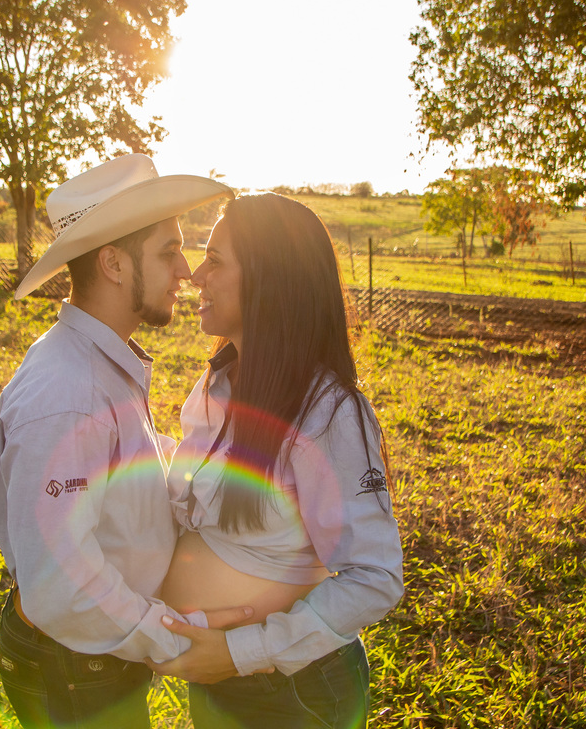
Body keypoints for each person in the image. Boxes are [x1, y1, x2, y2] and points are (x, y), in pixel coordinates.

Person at [0, 154, 248, 728]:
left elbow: (123, 473)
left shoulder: (98, 366)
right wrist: (179, 642)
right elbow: (60, 587)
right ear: (114, 264)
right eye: (167, 251)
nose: (186, 271)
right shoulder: (69, 394)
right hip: (75, 664)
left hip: (93, 655)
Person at [148, 193, 405, 728]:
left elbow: (375, 576)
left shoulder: (327, 414)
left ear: (269, 280)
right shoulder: (216, 384)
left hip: (291, 691)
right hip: (222, 685)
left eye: (215, 260)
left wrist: (244, 652)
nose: (195, 274)